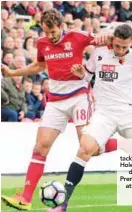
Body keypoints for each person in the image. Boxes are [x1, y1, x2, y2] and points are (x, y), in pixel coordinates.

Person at [48, 24, 132, 212]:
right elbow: (87, 76)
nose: (121, 50)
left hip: (128, 113)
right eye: (118, 46)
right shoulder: (99, 52)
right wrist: (80, 72)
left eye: (125, 47)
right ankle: (63, 205)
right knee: (84, 149)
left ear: (130, 43)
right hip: (104, 113)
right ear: (113, 40)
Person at [1, 8, 115, 211]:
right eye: (46, 32)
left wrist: (108, 38)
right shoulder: (42, 43)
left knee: (87, 147)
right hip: (55, 102)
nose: (50, 36)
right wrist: (12, 74)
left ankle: (120, 143)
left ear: (61, 26)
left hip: (79, 97)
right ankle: (25, 198)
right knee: (40, 147)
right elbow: (38, 66)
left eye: (53, 32)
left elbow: (106, 41)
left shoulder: (77, 37)